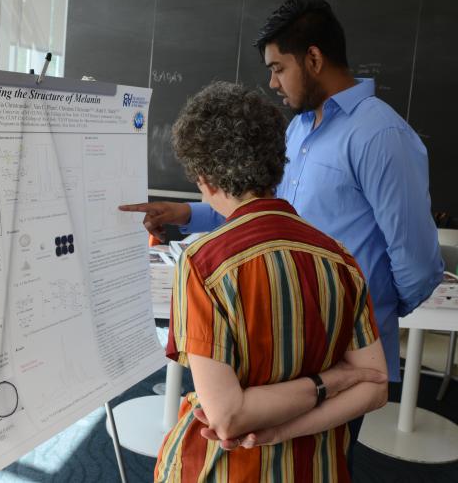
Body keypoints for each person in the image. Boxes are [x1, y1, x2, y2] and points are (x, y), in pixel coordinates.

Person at [121, 0, 443, 457]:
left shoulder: (381, 136)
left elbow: (417, 263)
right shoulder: (298, 131)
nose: (271, 82)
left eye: (278, 67)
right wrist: (186, 214)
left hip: (339, 352)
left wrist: (364, 317)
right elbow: (260, 211)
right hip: (272, 335)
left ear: (313, 58)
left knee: (318, 457)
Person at [153, 81, 387, 482]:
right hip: (318, 466)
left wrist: (272, 426)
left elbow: (226, 419)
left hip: (229, 468)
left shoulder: (204, 264)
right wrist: (333, 381)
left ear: (205, 179)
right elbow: (376, 384)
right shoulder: (340, 257)